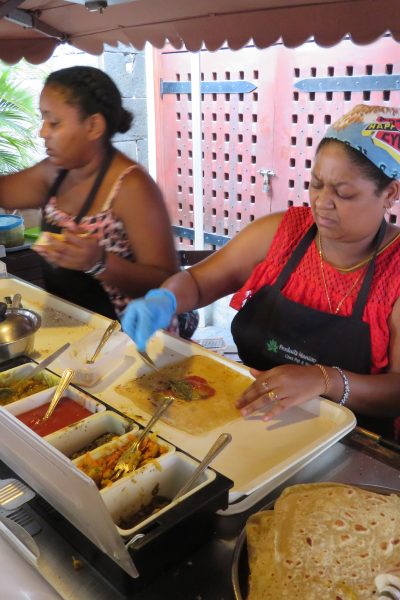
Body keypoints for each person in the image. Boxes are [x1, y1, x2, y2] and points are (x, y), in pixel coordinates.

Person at [121, 104, 400, 439]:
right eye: (316, 184)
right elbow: (196, 282)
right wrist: (165, 299)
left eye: (343, 193)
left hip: (350, 442)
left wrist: (325, 380)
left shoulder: (394, 270)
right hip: (251, 420)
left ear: (389, 194)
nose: (322, 202)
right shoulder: (282, 233)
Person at [0, 65, 179, 320]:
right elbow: (4, 192)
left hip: (131, 338)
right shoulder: (54, 172)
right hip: (75, 326)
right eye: (43, 120)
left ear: (93, 126)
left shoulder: (131, 187)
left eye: (54, 122)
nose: (43, 132)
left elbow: (168, 283)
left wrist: (100, 261)